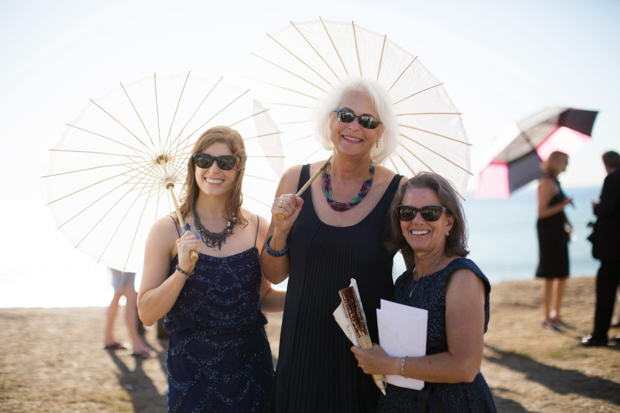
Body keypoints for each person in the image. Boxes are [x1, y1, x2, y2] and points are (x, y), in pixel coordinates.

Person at [261, 78, 406, 413]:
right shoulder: (294, 181)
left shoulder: (400, 192)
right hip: (301, 349)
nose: (354, 126)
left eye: (367, 121)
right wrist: (280, 232)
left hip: (364, 355)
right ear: (330, 121)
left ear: (380, 133)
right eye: (345, 115)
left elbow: (418, 273)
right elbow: (273, 274)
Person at [138, 126, 285, 412]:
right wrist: (181, 271)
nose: (214, 169)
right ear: (194, 165)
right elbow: (146, 312)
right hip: (192, 380)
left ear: (239, 167)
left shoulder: (258, 227)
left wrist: (310, 296)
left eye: (225, 162)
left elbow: (263, 297)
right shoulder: (167, 231)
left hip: (252, 374)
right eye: (204, 160)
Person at [351, 172, 496, 412]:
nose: (417, 220)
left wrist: (389, 364)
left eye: (429, 213)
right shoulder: (405, 281)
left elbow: (465, 366)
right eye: (407, 213)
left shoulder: (462, 277)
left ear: (448, 222)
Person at [581, 150, 620, 346]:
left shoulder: (612, 179)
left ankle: (599, 335)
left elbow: (606, 209)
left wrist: (596, 207)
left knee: (605, 292)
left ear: (605, 163)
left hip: (613, 249)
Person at [535, 151, 573, 330]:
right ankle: (546, 315)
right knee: (550, 274)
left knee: (562, 273)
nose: (567, 165)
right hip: (548, 233)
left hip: (557, 231)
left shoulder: (556, 182)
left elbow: (557, 209)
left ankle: (556, 313)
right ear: (558, 162)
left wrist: (568, 223)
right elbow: (541, 212)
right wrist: (563, 204)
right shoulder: (548, 183)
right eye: (566, 161)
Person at [103, 268, 156, 358]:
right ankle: (136, 343)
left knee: (117, 293)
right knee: (130, 295)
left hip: (118, 261)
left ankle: (109, 337)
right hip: (124, 262)